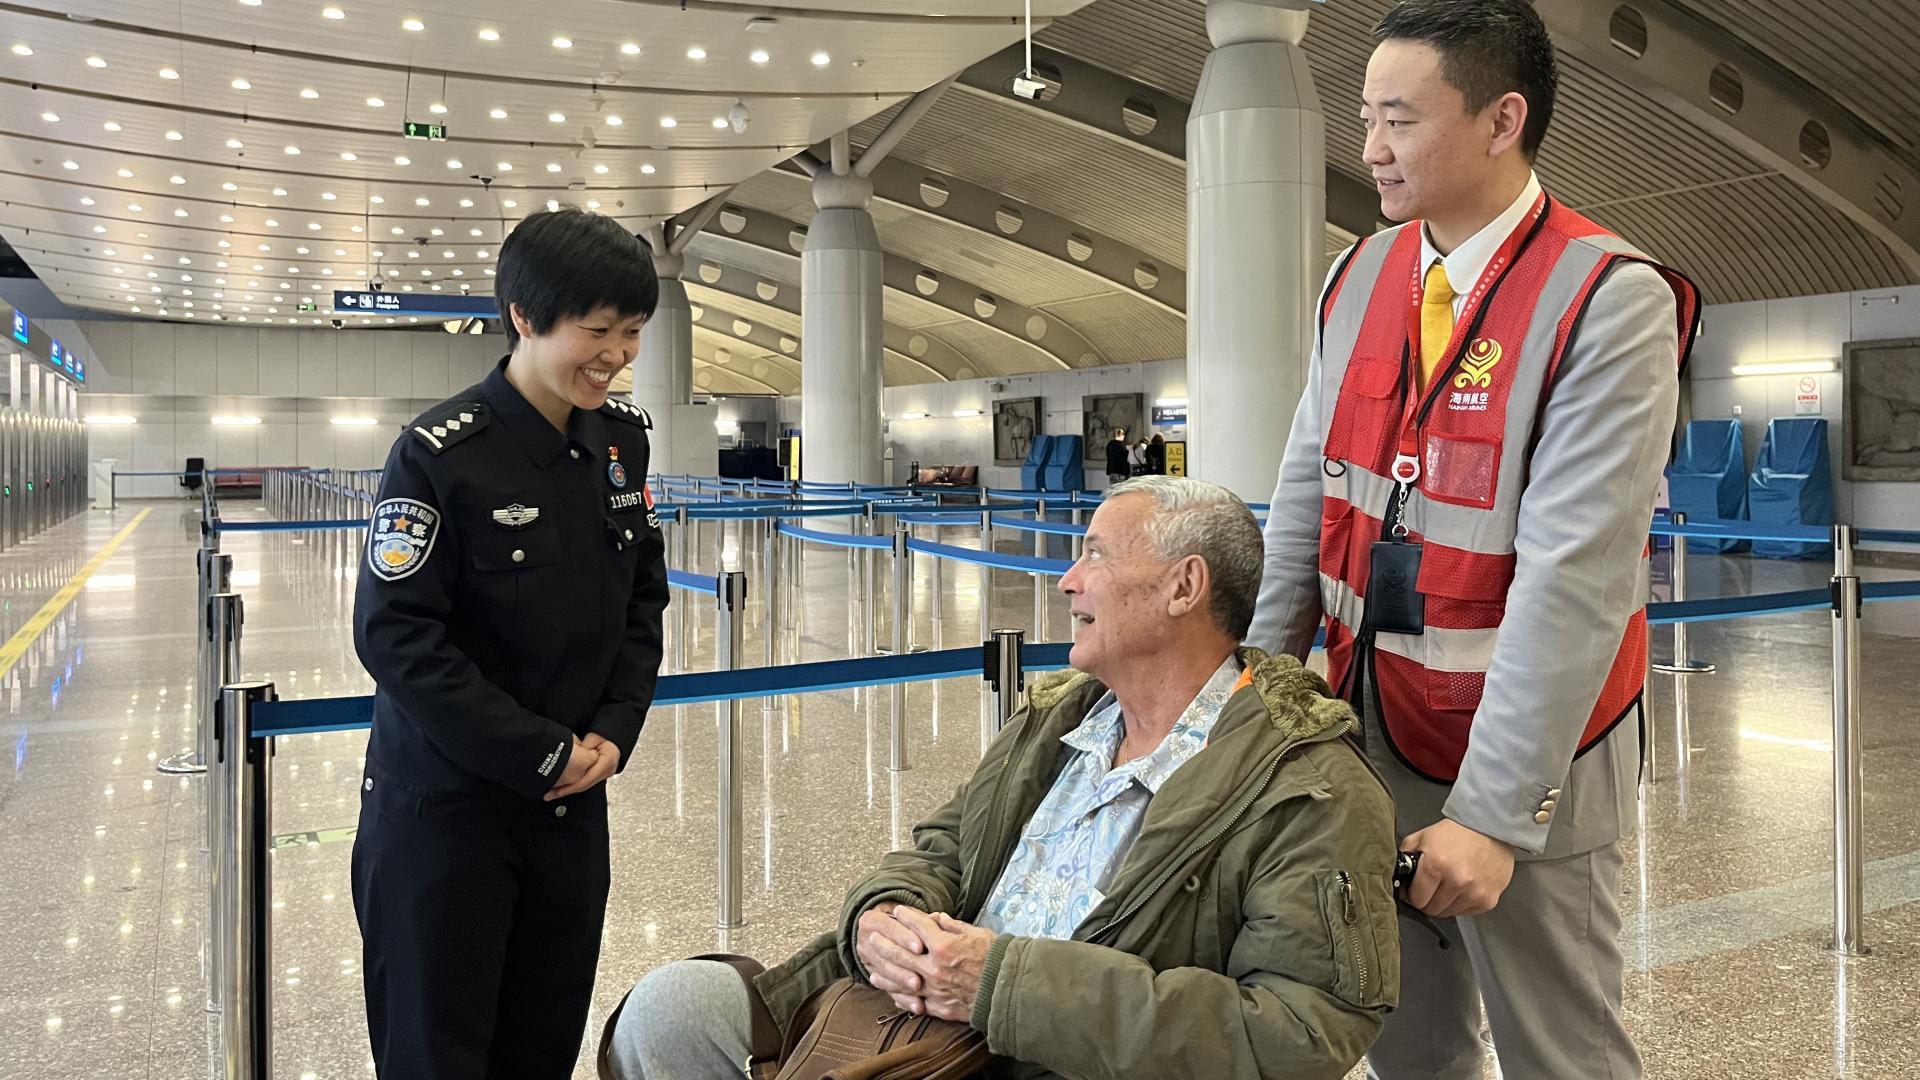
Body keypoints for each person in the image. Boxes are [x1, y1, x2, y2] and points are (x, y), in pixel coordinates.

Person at [1245, 3, 1699, 1078]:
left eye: (1399, 119)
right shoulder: (1357, 276)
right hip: (1372, 734)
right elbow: (1307, 494)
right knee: (1408, 1043)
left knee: (1562, 1053)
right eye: (1365, 117)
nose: (1369, 149)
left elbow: (1575, 580)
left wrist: (1494, 819)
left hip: (1528, 757)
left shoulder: (1607, 300)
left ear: (1503, 120)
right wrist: (1255, 700)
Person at [606, 476, 1400, 1080]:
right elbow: (947, 846)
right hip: (915, 1020)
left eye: (1097, 553)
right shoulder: (1060, 721)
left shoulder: (1309, 788)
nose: (1067, 580)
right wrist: (885, 914)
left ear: (1183, 587)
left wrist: (1004, 986)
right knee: (671, 1014)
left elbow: (1304, 1029)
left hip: (1051, 1054)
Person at [350, 208, 671, 1079]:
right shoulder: (437, 456)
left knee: (541, 1046)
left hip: (569, 817)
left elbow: (643, 597)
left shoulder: (620, 444)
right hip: (446, 820)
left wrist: (614, 728)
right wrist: (537, 753)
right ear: (525, 317)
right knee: (440, 1056)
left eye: (634, 332)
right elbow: (394, 634)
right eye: (596, 330)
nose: (617, 355)